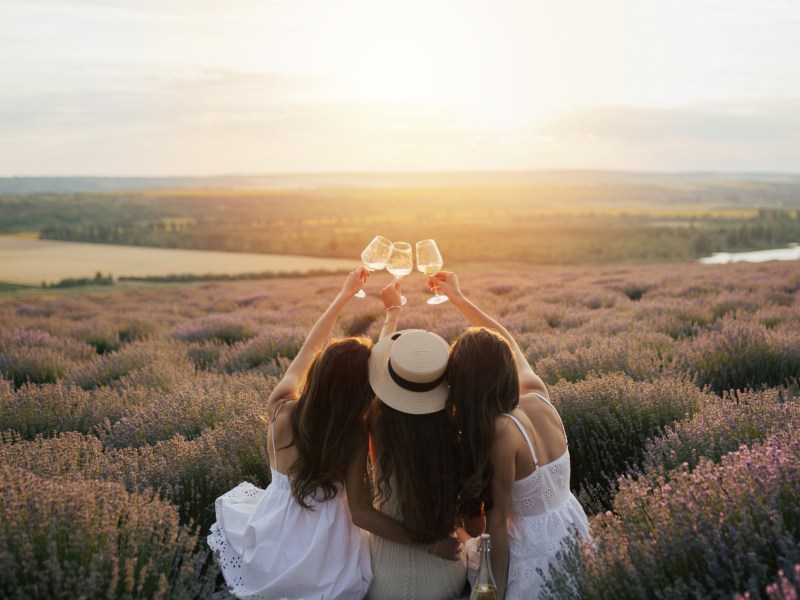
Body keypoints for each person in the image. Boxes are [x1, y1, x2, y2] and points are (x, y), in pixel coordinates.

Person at [208, 268, 456, 600]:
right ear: (361, 391)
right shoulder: (351, 434)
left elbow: (309, 348)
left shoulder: (280, 408)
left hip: (275, 531)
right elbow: (362, 513)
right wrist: (428, 542)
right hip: (324, 547)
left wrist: (343, 295)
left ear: (321, 369)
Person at [430, 271, 591, 600]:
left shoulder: (501, 432)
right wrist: (459, 299)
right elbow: (507, 340)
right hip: (570, 527)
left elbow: (498, 526)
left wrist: (493, 592)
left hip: (535, 550)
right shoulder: (535, 392)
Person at [365, 281, 469, 599]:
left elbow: (377, 372)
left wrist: (392, 314)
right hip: (448, 574)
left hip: (385, 578)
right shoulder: (458, 426)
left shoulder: (375, 422)